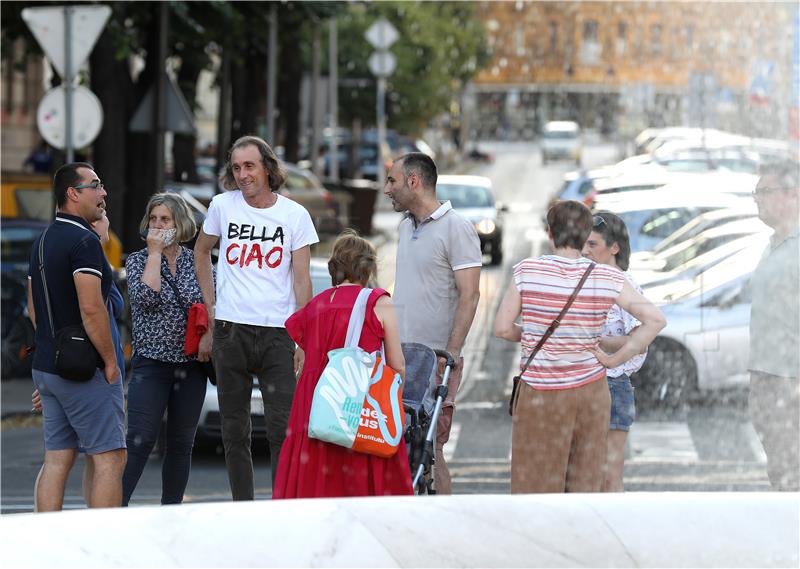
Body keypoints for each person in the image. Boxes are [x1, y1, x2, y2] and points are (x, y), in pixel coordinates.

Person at [493, 200, 665, 493]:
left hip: (540, 393)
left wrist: (534, 334)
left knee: (536, 485)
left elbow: (502, 328)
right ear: (584, 235)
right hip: (591, 392)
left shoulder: (527, 271)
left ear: (550, 233)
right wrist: (615, 360)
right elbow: (655, 320)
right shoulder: (606, 276)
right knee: (585, 483)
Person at [194, 135, 319, 500]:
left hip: (278, 333)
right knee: (234, 430)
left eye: (249, 166)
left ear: (267, 167)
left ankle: (280, 507)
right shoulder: (222, 206)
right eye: (236, 168)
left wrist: (302, 337)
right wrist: (212, 306)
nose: (243, 174)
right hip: (231, 331)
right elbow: (201, 253)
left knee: (282, 430)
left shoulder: (294, 215)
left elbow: (302, 279)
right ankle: (243, 508)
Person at [273, 231, 412, 498]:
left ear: (335, 267)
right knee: (360, 474)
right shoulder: (379, 302)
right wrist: (394, 402)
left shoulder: (316, 306)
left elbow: (306, 356)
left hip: (318, 402)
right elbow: (397, 364)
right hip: (358, 403)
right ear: (368, 267)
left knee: (318, 478)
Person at [26, 162, 126, 511]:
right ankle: (102, 552)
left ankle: (47, 548)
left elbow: (35, 309)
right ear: (73, 194)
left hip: (50, 367)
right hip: (85, 369)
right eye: (95, 186)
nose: (103, 193)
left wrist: (51, 355)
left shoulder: (41, 240)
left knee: (57, 459)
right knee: (110, 459)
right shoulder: (84, 241)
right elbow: (92, 308)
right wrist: (111, 362)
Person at [383, 152, 482, 495]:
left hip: (436, 359)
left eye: (392, 181)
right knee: (393, 446)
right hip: (399, 358)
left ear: (414, 181)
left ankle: (443, 524)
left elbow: (470, 295)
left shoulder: (457, 228)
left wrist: (451, 352)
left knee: (432, 449)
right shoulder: (405, 226)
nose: (386, 189)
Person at [122, 193, 211, 505]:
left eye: (165, 219)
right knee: (140, 440)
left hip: (191, 366)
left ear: (180, 224)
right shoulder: (136, 260)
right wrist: (154, 254)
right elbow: (147, 300)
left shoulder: (197, 261)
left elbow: (212, 305)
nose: (158, 225)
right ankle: (114, 510)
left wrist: (208, 335)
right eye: (154, 219)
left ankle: (171, 512)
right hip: (151, 365)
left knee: (180, 444)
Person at [581, 211, 647, 492]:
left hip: (613, 385)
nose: (585, 251)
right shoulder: (590, 279)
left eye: (593, 245)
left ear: (614, 248)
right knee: (586, 473)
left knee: (609, 475)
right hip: (585, 383)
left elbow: (641, 337)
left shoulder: (624, 284)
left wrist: (600, 342)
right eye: (584, 244)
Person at [748, 160, 799, 491]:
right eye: (756, 192)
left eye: (765, 191)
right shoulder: (773, 245)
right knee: (780, 468)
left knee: (790, 470)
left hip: (790, 379)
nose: (757, 199)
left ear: (792, 195)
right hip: (767, 374)